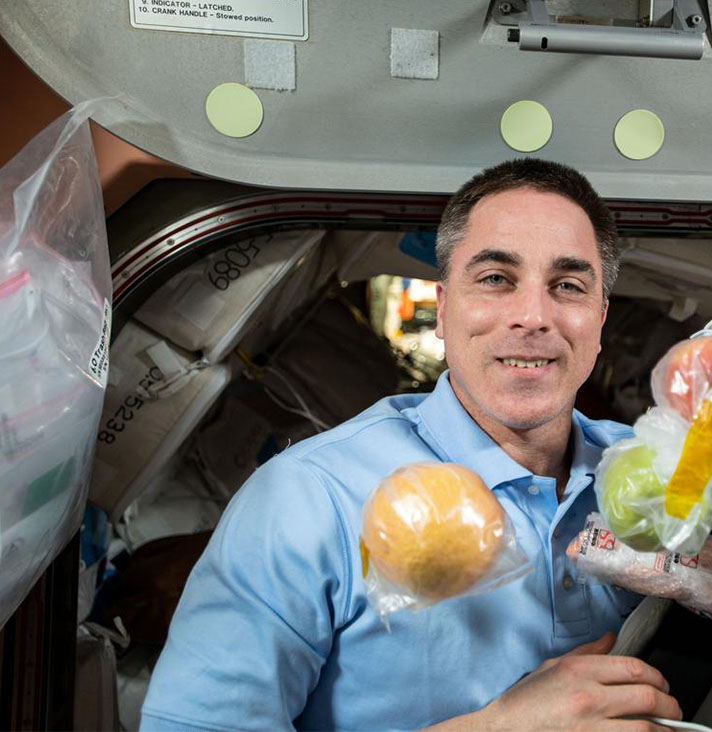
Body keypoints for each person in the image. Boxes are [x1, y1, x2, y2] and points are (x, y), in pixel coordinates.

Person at [141, 159, 683, 730]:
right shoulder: (310, 499)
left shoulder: (650, 472)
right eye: (496, 278)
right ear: (444, 308)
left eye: (568, 286)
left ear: (598, 320)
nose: (533, 316)